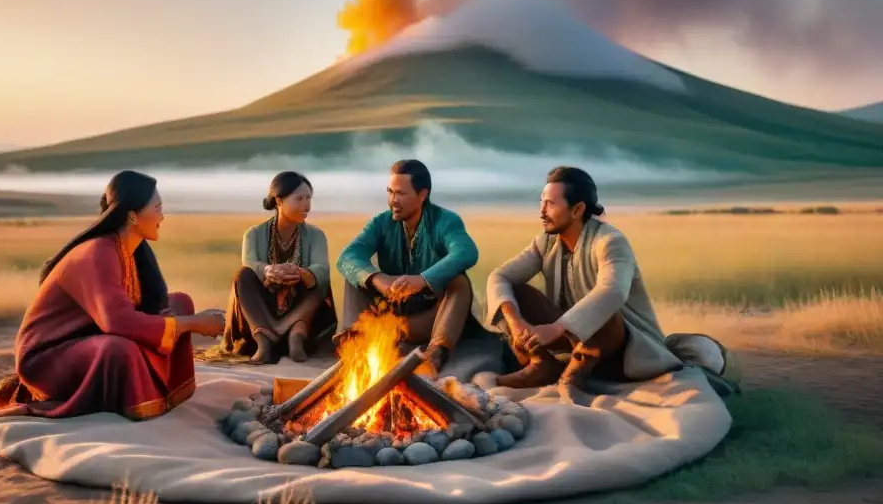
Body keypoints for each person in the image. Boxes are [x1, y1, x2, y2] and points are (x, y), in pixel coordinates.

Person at [0, 170, 225, 420]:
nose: (162, 216)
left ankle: (165, 391)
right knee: (119, 350)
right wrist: (194, 324)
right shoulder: (98, 252)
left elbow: (140, 310)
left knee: (181, 303)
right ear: (133, 215)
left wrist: (191, 319)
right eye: (158, 208)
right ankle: (138, 398)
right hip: (47, 360)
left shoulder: (129, 250)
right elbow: (117, 321)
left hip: (90, 338)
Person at [484, 166, 682, 391]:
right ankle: (542, 364)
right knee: (516, 292)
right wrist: (515, 322)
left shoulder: (610, 241)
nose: (542, 211)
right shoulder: (545, 242)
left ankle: (574, 376)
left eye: (551, 204)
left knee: (605, 312)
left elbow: (613, 291)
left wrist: (557, 328)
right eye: (541, 201)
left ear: (577, 209)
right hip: (571, 341)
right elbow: (500, 276)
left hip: (622, 349)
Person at [335, 159, 478, 378]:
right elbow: (347, 256)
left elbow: (466, 252)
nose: (393, 200)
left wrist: (422, 280)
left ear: (422, 195)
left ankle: (435, 354)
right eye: (390, 192)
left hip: (430, 318)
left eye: (401, 193)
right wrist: (377, 278)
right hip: (390, 318)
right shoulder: (380, 223)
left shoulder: (446, 221)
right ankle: (355, 343)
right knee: (356, 275)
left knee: (459, 281)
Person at [221, 171, 337, 363]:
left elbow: (321, 270)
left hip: (303, 317)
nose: (306, 205)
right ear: (279, 201)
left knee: (319, 280)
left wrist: (300, 274)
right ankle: (263, 340)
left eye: (309, 198)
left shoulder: (316, 235)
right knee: (243, 275)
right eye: (299, 198)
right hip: (259, 317)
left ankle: (295, 335)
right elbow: (249, 263)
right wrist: (268, 271)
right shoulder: (253, 234)